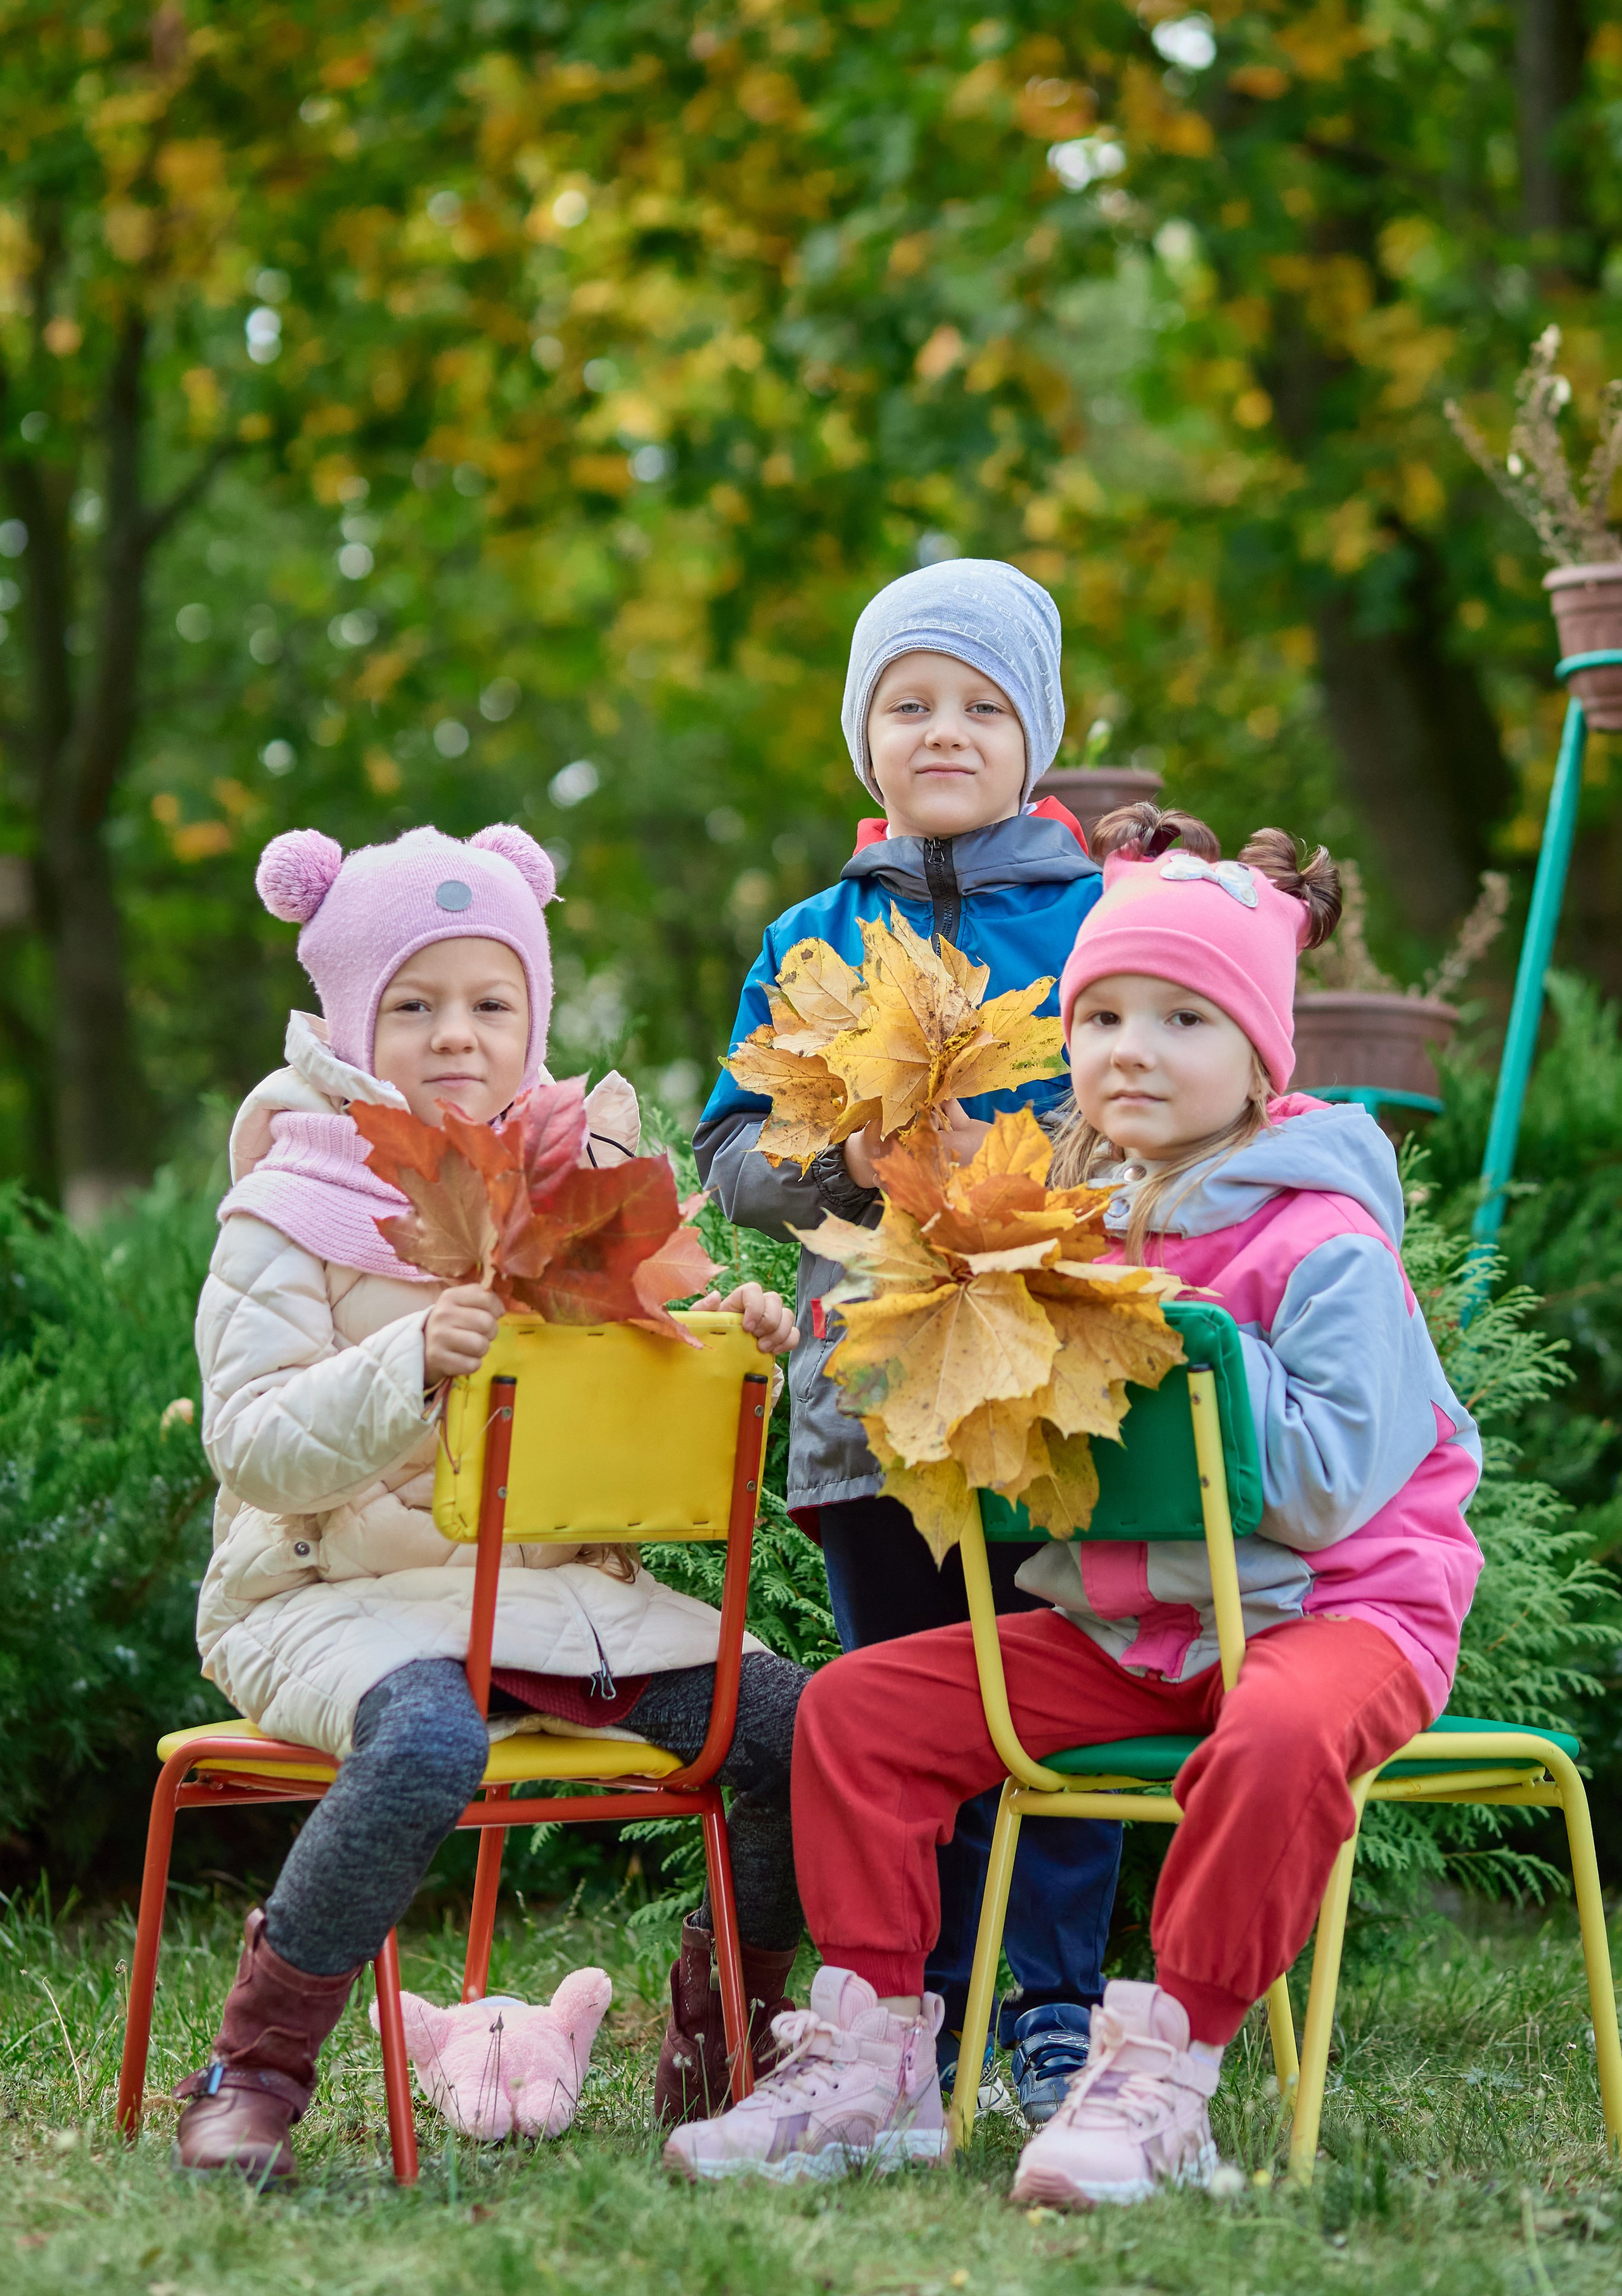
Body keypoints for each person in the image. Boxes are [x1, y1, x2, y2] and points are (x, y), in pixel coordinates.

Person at [665, 805, 1484, 2199]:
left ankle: (1165, 2069)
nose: (1132, 1051)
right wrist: (918, 1352)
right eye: (1100, 1017)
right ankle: (876, 2065)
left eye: (1181, 1021)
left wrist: (1174, 1354)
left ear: (1256, 1057)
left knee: (1274, 1743)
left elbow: (1334, 1482)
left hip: (1335, 1615)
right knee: (857, 1715)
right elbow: (1007, 1477)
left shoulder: (1321, 1238)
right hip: (1141, 1628)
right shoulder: (1064, 1230)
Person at [177, 822, 804, 2181]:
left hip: (554, 1601)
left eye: (489, 1002)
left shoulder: (576, 1194)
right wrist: (407, 1360)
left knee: (800, 1730)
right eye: (412, 1004)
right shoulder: (289, 1204)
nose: (454, 1035)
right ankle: (255, 2069)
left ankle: (727, 2042)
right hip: (329, 1593)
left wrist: (722, 1346)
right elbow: (252, 1445)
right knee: (423, 1745)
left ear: (533, 1017)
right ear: (351, 1018)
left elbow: (634, 1379)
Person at [694, 559, 1137, 2124]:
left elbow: (1160, 1102)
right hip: (864, 1394)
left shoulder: (1099, 923)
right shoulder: (814, 937)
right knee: (897, 1692)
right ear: (861, 739)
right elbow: (729, 1147)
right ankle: (915, 2012)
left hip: (1052, 1384)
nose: (941, 731)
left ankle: (1056, 2008)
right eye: (908, 704)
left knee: (1055, 1688)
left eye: (978, 706)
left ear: (1035, 738)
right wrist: (836, 1169)